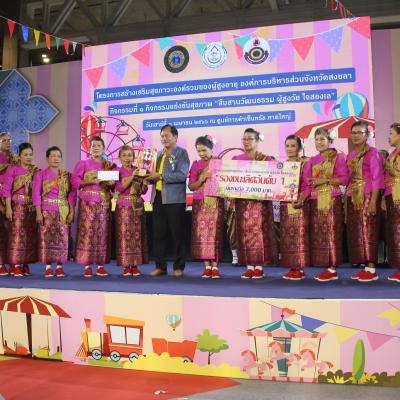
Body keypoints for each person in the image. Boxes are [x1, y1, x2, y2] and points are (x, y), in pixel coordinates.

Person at [302, 128, 348, 282]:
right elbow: (307, 184)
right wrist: (301, 199)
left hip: (332, 200)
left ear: (329, 140)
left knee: (332, 233)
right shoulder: (311, 160)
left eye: (322, 139)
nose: (319, 142)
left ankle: (332, 269)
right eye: (317, 139)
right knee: (320, 234)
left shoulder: (338, 157)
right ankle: (327, 267)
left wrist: (325, 180)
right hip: (316, 201)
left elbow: (344, 179)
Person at [233, 128, 277, 279]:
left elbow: (274, 178)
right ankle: (249, 266)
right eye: (244, 139)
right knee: (244, 233)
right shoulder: (236, 159)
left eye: (250, 139)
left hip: (260, 203)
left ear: (257, 141)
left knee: (260, 233)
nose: (246, 142)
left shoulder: (266, 159)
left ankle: (259, 267)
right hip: (243, 203)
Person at [147, 124, 190, 277]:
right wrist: (147, 178)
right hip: (157, 197)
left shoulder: (182, 153)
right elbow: (154, 176)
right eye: (162, 136)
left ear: (175, 137)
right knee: (158, 234)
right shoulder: (158, 154)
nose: (164, 138)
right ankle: (160, 267)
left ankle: (179, 267)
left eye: (167, 135)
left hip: (175, 199)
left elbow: (181, 175)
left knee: (177, 234)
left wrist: (159, 176)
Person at [72, 136, 115, 278]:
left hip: (104, 203)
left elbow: (115, 185)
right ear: (89, 149)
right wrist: (90, 181)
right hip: (87, 203)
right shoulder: (83, 163)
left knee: (102, 234)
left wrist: (111, 184)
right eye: (93, 146)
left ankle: (101, 266)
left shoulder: (109, 165)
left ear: (103, 148)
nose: (96, 148)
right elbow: (75, 181)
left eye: (98, 145)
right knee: (88, 233)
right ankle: (88, 266)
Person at [346, 121, 385, 282]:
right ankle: (365, 268)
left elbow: (377, 178)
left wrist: (374, 201)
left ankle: (372, 269)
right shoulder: (351, 155)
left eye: (359, 133)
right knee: (357, 231)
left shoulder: (373, 153)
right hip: (353, 197)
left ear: (367, 135)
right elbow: (348, 178)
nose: (356, 136)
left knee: (369, 231)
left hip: (368, 195)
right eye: (353, 133)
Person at [32, 146, 76, 278]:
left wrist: (71, 211)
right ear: (47, 158)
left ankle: (60, 267)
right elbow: (36, 194)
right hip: (46, 211)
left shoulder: (66, 176)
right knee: (47, 239)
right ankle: (48, 267)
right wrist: (38, 212)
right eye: (53, 156)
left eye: (58, 156)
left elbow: (72, 195)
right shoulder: (40, 174)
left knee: (62, 239)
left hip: (63, 211)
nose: (56, 158)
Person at [188, 135, 224, 279]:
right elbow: (191, 186)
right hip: (199, 203)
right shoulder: (196, 165)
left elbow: (226, 183)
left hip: (215, 202)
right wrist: (201, 179)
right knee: (202, 235)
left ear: (211, 149)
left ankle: (215, 267)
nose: (201, 153)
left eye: (204, 150)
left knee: (215, 234)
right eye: (199, 151)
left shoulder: (219, 163)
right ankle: (207, 267)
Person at [2, 142, 38, 277]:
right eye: (25, 155)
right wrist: (8, 208)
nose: (28, 157)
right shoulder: (12, 170)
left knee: (29, 236)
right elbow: (6, 190)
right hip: (16, 206)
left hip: (31, 208)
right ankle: (16, 265)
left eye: (30, 155)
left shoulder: (35, 171)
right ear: (19, 156)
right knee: (17, 235)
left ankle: (25, 264)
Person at [115, 145, 148, 277]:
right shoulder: (117, 171)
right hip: (123, 206)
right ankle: (126, 266)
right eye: (124, 155)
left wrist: (144, 183)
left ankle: (135, 265)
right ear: (119, 158)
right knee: (124, 236)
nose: (127, 158)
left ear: (134, 157)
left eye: (129, 155)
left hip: (137, 206)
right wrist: (132, 177)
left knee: (137, 235)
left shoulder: (139, 170)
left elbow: (144, 191)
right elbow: (119, 188)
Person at [280, 135, 310, 280]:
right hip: (285, 205)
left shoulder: (304, 164)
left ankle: (300, 268)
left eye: (293, 146)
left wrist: (301, 199)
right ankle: (293, 267)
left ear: (299, 148)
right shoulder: (282, 165)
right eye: (287, 146)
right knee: (288, 237)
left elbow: (308, 185)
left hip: (298, 204)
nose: (290, 149)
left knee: (299, 235)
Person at [384, 123, 400, 282]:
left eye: (391, 133)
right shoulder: (392, 153)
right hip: (391, 194)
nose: (388, 136)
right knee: (395, 231)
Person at [0, 133, 18, 275]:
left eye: (9, 140)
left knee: (12, 232)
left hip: (12, 198)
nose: (7, 142)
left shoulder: (15, 159)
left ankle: (12, 262)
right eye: (3, 140)